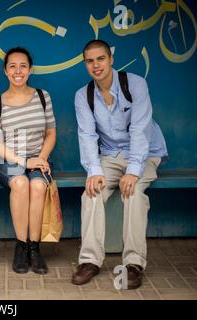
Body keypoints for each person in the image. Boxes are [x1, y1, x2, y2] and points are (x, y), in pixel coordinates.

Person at [71, 39, 168, 289]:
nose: (96, 65)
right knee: (91, 193)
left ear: (111, 59)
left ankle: (133, 265)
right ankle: (90, 261)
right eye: (90, 61)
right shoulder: (84, 95)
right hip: (111, 156)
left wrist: (134, 171)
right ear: (85, 64)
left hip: (145, 153)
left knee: (133, 192)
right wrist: (93, 171)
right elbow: (87, 135)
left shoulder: (134, 84)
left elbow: (140, 129)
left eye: (100, 58)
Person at [0, 47, 57, 274]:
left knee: (38, 185)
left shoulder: (42, 96)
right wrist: (23, 161)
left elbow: (51, 133)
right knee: (20, 183)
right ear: (5, 71)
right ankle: (20, 246)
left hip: (38, 158)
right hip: (7, 160)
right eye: (12, 66)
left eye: (23, 66)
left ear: (30, 70)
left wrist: (41, 158)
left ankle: (34, 248)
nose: (18, 71)